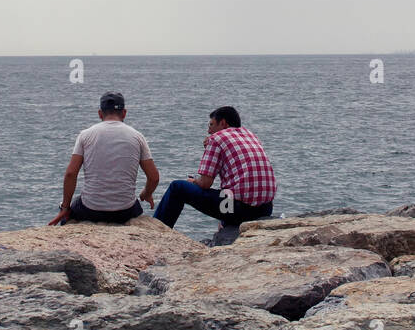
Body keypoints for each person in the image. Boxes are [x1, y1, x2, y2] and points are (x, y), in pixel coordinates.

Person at [153, 106, 276, 230]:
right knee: (228, 192)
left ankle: (157, 231)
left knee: (177, 187)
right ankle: (226, 223)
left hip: (239, 210)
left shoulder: (216, 139)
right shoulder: (250, 135)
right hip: (265, 209)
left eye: (211, 125)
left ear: (223, 123)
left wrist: (194, 181)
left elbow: (205, 183)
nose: (208, 131)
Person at [49, 91, 160, 225]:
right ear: (124, 113)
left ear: (100, 113)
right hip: (125, 211)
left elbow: (71, 174)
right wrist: (146, 194)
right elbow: (154, 177)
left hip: (91, 209)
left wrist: (65, 207)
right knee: (134, 205)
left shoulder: (85, 135)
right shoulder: (137, 137)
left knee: (69, 214)